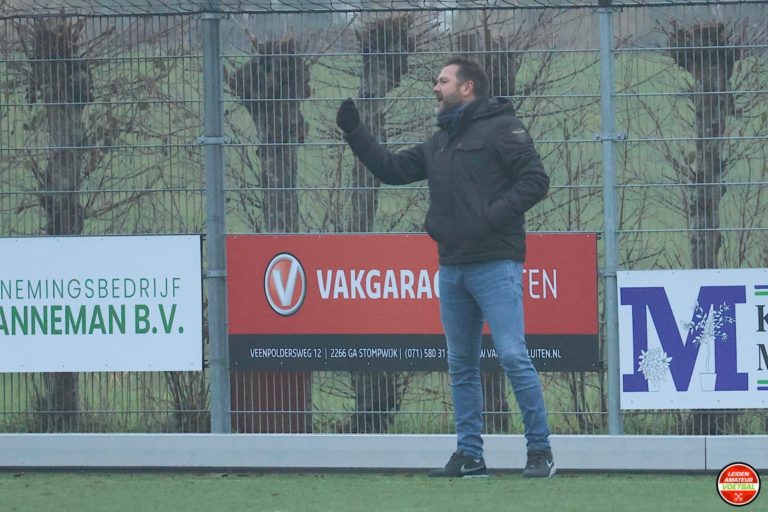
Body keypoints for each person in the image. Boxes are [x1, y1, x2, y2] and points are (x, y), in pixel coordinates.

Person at [336, 56, 555, 479]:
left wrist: (492, 216)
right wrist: (355, 132)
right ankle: (470, 456)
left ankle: (540, 452)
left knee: (512, 355)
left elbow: (535, 179)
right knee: (461, 365)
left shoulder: (502, 128)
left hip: (495, 264)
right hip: (452, 267)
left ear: (467, 87)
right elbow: (393, 170)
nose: (435, 88)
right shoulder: (439, 142)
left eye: (442, 81)